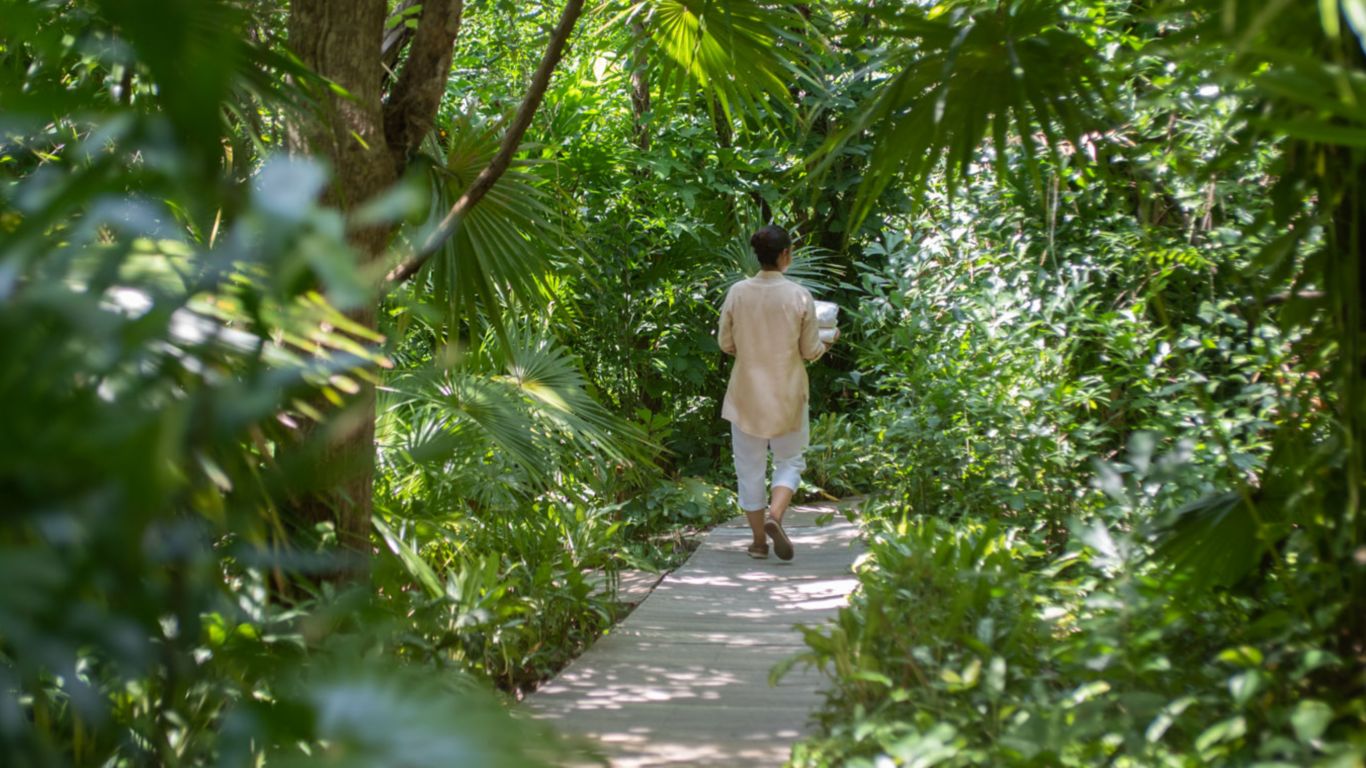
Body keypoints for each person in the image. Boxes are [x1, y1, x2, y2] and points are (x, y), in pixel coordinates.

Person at [717, 225, 838, 561]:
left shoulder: (738, 292)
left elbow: (726, 344)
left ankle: (758, 542)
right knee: (790, 460)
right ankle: (776, 517)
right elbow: (810, 349)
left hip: (745, 396)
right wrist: (830, 339)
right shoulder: (799, 296)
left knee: (749, 469)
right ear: (785, 254)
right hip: (788, 392)